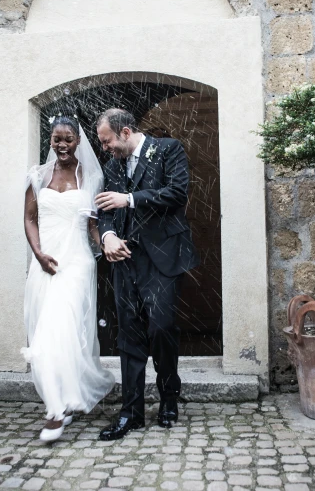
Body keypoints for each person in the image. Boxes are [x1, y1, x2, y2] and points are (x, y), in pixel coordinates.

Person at [95, 108, 199, 441]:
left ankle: (169, 397)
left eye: (108, 141)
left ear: (125, 133)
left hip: (163, 258)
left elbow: (177, 194)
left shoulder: (168, 149)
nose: (105, 149)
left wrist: (129, 199)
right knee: (129, 335)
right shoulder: (112, 165)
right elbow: (104, 212)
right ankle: (132, 412)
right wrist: (108, 237)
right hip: (125, 259)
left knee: (161, 328)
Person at [22, 115, 115, 442]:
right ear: (50, 139)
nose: (61, 145)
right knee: (47, 334)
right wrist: (38, 253)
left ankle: (55, 413)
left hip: (76, 263)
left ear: (78, 141)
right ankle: (59, 401)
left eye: (68, 140)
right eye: (56, 139)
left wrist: (106, 242)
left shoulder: (90, 177)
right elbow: (30, 219)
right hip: (45, 263)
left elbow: (92, 224)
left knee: (55, 334)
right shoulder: (37, 176)